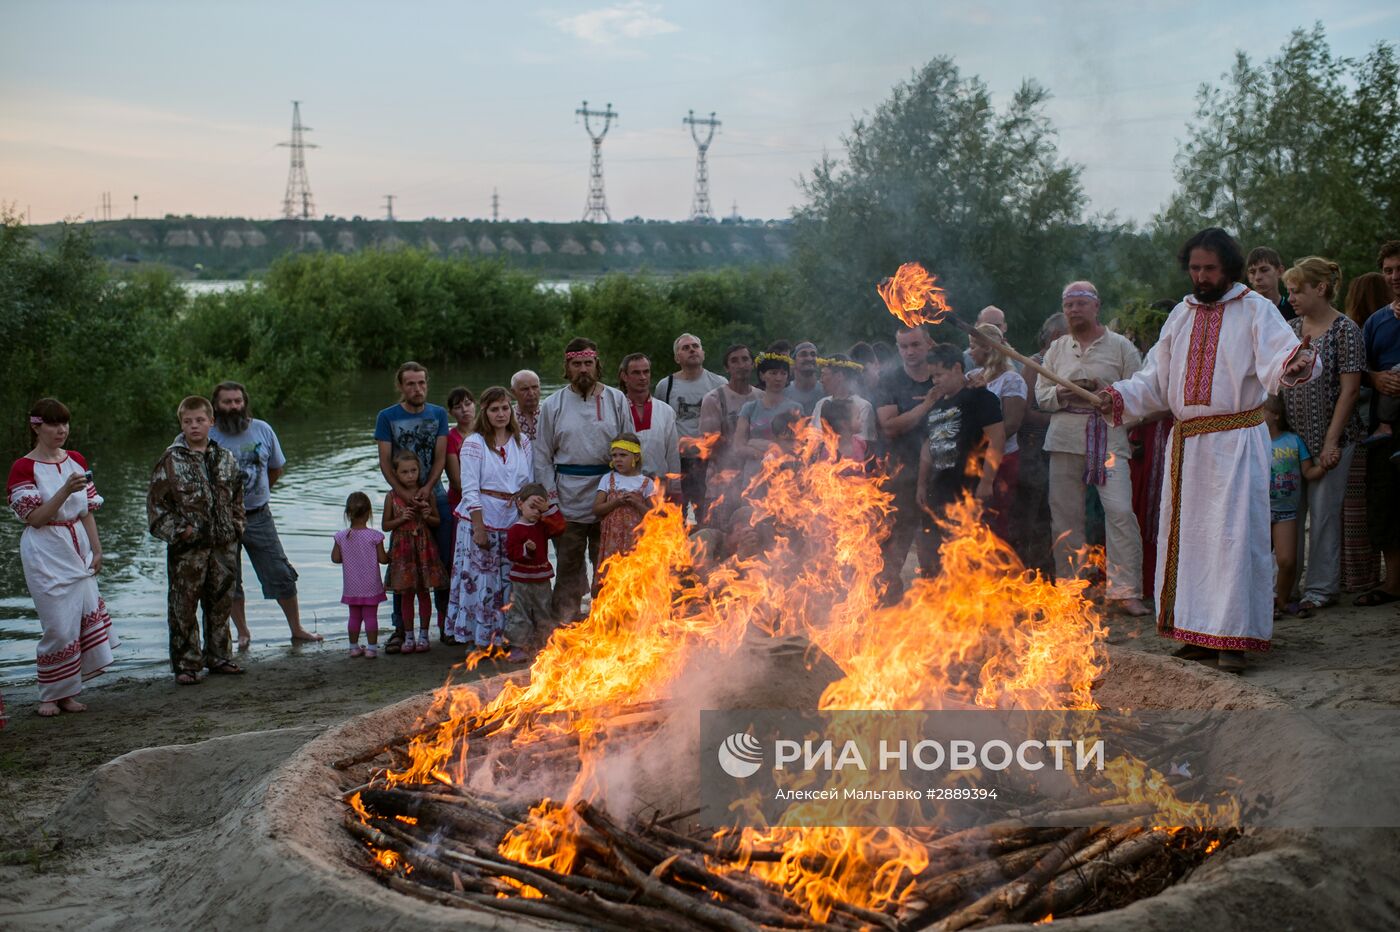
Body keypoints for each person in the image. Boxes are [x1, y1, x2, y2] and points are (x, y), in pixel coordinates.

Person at [1098, 227, 1318, 674]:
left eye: (1209, 268)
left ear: (1228, 268)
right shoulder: (1181, 314)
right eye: (1195, 268)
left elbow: (1282, 357)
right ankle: (1195, 632)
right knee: (1192, 542)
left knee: (1234, 541)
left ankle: (1233, 639)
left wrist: (1294, 364)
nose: (1200, 276)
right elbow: (1154, 379)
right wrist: (1117, 396)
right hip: (1189, 446)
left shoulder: (1255, 309)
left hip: (1237, 441)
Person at [1037, 281, 1150, 616]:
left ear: (1095, 306)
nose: (1073, 310)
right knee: (1065, 517)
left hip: (1109, 440)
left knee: (1119, 512)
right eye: (1068, 305)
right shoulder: (1057, 350)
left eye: (1080, 304)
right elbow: (1041, 395)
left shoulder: (1121, 347)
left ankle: (1125, 591)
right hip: (1065, 439)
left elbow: (1140, 391)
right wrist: (1063, 395)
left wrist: (1109, 396)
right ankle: (1070, 589)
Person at [7, 398, 117, 715]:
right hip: (46, 548)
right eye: (54, 424)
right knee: (57, 624)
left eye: (65, 423)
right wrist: (65, 491)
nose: (62, 430)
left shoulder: (77, 460)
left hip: (77, 545)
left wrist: (97, 549)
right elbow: (36, 518)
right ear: (36, 426)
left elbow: (86, 511)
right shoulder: (23, 467)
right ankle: (48, 696)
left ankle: (68, 693)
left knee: (77, 619)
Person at [1279, 257, 1364, 612]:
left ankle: (1319, 589)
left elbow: (1350, 390)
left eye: (1297, 290)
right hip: (1291, 443)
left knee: (1325, 514)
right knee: (1288, 515)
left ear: (1321, 288)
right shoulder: (1290, 328)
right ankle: (1286, 587)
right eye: (1289, 291)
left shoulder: (1346, 330)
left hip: (1333, 440)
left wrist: (1330, 441)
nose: (1292, 297)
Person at [209, 381, 320, 650]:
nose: (233, 406)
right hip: (221, 520)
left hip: (259, 516)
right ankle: (243, 633)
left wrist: (260, 493)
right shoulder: (208, 434)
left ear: (245, 402)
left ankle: (297, 629)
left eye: (238, 401)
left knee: (280, 573)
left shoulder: (262, 429)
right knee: (229, 579)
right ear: (216, 405)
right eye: (227, 402)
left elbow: (276, 468)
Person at [148, 396, 246, 685]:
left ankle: (219, 657)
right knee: (183, 607)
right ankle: (186, 664)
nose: (194, 426)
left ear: (211, 422)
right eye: (188, 421)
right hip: (187, 551)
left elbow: (239, 496)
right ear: (181, 424)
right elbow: (156, 509)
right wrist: (182, 532)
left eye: (200, 420)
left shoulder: (225, 457)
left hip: (223, 547)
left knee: (221, 603)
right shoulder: (170, 460)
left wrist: (237, 525)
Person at [534, 337, 630, 622]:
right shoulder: (553, 404)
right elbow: (541, 456)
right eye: (577, 364)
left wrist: (624, 490)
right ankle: (566, 625)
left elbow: (630, 446)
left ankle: (608, 621)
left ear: (597, 364)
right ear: (568, 366)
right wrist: (551, 502)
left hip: (608, 497)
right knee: (569, 567)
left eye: (588, 363)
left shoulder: (616, 399)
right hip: (568, 498)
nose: (583, 369)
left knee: (608, 565)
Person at [446, 386, 532, 651]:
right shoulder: (474, 443)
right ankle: (481, 639)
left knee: (510, 581)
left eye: (505, 408)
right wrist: (479, 528)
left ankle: (509, 637)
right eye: (495, 409)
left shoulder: (522, 441)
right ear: (485, 411)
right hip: (481, 516)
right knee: (482, 581)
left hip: (512, 519)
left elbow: (529, 482)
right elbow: (469, 487)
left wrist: (528, 519)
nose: (501, 414)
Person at [374, 362, 451, 653]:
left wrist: (427, 489)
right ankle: (399, 628)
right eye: (410, 384)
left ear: (427, 384)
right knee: (402, 565)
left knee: (440, 562)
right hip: (400, 498)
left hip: (435, 495)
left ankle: (444, 625)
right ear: (401, 386)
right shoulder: (387, 417)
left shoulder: (438, 414)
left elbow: (441, 458)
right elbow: (384, 460)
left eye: (421, 383)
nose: (417, 389)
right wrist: (403, 495)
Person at [916, 343, 1006, 555]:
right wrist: (921, 485)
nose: (935, 381)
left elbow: (998, 438)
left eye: (939, 375)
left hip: (968, 490)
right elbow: (928, 447)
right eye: (932, 377)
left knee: (969, 554)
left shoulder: (981, 399)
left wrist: (986, 482)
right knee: (933, 555)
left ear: (957, 368)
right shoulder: (936, 405)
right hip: (938, 492)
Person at [875, 324, 938, 600]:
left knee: (934, 544)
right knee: (893, 543)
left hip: (940, 473)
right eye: (904, 347)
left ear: (928, 345)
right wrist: (926, 405)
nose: (910, 352)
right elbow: (889, 426)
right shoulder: (889, 381)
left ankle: (933, 603)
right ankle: (886, 602)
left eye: (915, 345)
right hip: (899, 471)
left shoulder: (942, 375)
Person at [1355, 240, 1400, 607]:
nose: (1395, 277)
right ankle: (1393, 583)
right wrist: (1376, 378)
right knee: (1385, 501)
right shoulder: (1377, 321)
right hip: (1386, 427)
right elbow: (1358, 371)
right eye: (1388, 270)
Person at [1339, 272, 1390, 592]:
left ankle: (1357, 575)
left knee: (1355, 509)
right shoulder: (1375, 331)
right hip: (1378, 427)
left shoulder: (1351, 330)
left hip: (1355, 431)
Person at [1012, 313, 1069, 572]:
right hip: (1034, 447)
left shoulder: (1067, 363)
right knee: (1033, 512)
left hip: (1059, 447)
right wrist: (1061, 419)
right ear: (1056, 336)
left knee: (1054, 510)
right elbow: (1024, 412)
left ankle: (1050, 570)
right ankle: (1028, 570)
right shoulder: (1035, 364)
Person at [1263, 396, 1324, 619]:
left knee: (1287, 561)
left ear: (1276, 415)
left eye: (1263, 410)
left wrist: (1325, 465)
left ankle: (1282, 600)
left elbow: (1308, 472)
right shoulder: (1254, 440)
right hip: (1259, 511)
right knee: (1257, 560)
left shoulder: (1293, 441)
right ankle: (1263, 604)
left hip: (1286, 511)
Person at [654, 334, 727, 517]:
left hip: (710, 460)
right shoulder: (666, 385)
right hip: (679, 460)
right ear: (677, 357)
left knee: (707, 511)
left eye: (695, 346)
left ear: (703, 353)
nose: (692, 350)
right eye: (685, 348)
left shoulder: (719, 383)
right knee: (681, 512)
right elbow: (661, 421)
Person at [966, 323, 1027, 539]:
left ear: (988, 348)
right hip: (973, 457)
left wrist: (984, 443)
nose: (969, 352)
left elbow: (1011, 424)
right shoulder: (972, 376)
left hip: (1002, 458)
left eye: (973, 346)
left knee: (996, 514)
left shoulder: (1011, 380)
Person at [382, 450, 447, 653]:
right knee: (406, 595)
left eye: (413, 471)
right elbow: (385, 525)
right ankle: (408, 635)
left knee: (424, 593)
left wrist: (427, 514)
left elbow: (437, 521)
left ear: (419, 471)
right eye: (404, 472)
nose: (410, 475)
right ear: (396, 474)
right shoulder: (391, 496)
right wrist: (401, 518)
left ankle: (425, 635)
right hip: (403, 551)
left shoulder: (426, 494)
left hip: (424, 548)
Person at [503, 483, 566, 661]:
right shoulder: (515, 529)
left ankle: (545, 644)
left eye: (539, 509)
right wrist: (525, 550)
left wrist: (548, 510)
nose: (535, 513)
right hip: (521, 579)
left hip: (541, 579)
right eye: (532, 507)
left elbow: (560, 527)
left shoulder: (542, 525)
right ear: (519, 504)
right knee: (519, 612)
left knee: (543, 610)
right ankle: (518, 646)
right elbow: (511, 553)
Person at [697, 344, 755, 524]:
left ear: (752, 364)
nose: (741, 364)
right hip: (722, 485)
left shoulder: (760, 397)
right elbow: (708, 444)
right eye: (734, 360)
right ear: (726, 368)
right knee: (721, 538)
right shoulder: (714, 399)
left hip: (754, 481)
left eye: (745, 359)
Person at [592, 433, 655, 591]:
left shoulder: (646, 483)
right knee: (612, 576)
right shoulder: (608, 479)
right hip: (612, 542)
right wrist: (616, 502)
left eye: (623, 455)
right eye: (614, 455)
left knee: (635, 576)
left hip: (636, 540)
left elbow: (654, 516)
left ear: (636, 457)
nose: (618, 459)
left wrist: (636, 504)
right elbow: (597, 509)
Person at [332, 492, 388, 658]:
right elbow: (383, 559)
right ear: (369, 513)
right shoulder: (375, 536)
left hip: (351, 586)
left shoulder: (341, 536)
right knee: (371, 616)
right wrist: (391, 555)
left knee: (354, 617)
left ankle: (353, 647)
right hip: (371, 585)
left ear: (347, 514)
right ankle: (371, 649)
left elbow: (335, 559)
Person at [733, 353, 804, 486]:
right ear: (762, 375)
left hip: (786, 476)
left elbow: (801, 445)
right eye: (773, 373)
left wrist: (754, 443)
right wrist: (765, 454)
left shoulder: (796, 408)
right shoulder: (749, 408)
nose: (778, 378)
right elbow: (738, 446)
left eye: (783, 373)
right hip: (755, 476)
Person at [618, 352, 681, 488]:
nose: (643, 377)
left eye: (646, 372)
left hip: (659, 486)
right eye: (636, 373)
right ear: (624, 376)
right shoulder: (616, 409)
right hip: (625, 485)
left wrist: (675, 489)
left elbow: (673, 454)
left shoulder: (665, 411)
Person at [812, 355, 877, 456]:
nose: (821, 380)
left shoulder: (863, 406)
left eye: (824, 375)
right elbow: (812, 441)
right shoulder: (821, 404)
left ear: (839, 376)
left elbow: (865, 449)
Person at [444, 387, 476, 520]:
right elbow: (456, 482)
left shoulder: (487, 433)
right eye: (458, 407)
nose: (464, 410)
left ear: (475, 404)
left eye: (468, 404)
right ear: (451, 412)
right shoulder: (450, 438)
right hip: (461, 502)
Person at [1246, 246, 1295, 320]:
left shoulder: (1295, 311)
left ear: (1280, 271)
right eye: (1252, 272)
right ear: (1248, 277)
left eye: (1264, 270)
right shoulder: (1243, 313)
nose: (1257, 277)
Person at [784, 342, 826, 415]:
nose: (809, 358)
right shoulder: (784, 394)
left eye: (813, 355)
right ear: (793, 363)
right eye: (803, 355)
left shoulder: (826, 391)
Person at [511, 370, 542, 442]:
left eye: (535, 387)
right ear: (513, 392)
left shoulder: (551, 413)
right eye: (525, 389)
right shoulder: (507, 417)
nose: (531, 393)